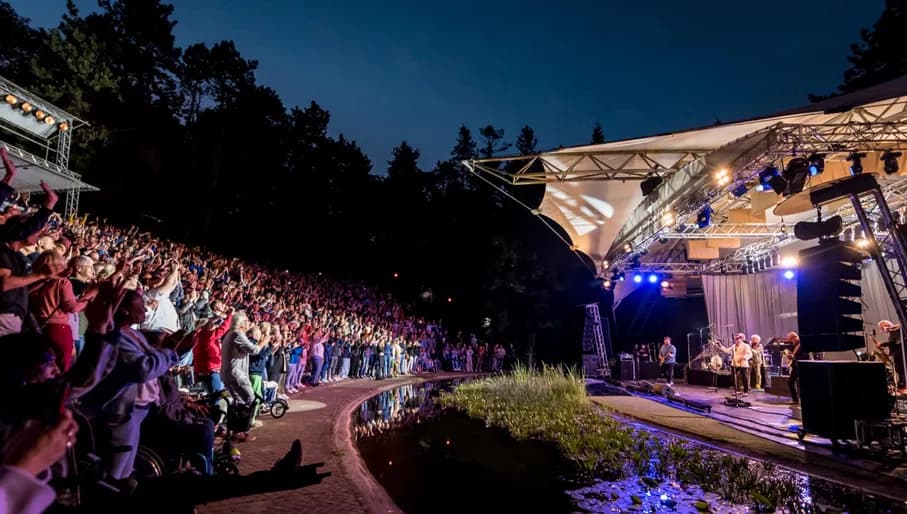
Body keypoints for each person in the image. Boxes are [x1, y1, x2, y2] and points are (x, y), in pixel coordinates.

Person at [877, 320, 905, 394]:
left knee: (901, 369)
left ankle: (903, 385)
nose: (882, 330)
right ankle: (902, 385)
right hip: (897, 353)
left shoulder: (894, 330)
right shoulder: (893, 331)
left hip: (900, 353)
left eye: (882, 328)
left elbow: (892, 342)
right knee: (899, 369)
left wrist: (881, 344)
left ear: (885, 326)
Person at [787, 331, 803, 404]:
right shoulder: (794, 346)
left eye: (791, 339)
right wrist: (789, 355)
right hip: (795, 366)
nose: (791, 341)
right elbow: (793, 355)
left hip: (800, 366)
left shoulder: (802, 345)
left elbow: (805, 356)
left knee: (795, 382)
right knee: (791, 382)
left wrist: (794, 357)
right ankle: (795, 399)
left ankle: (797, 399)